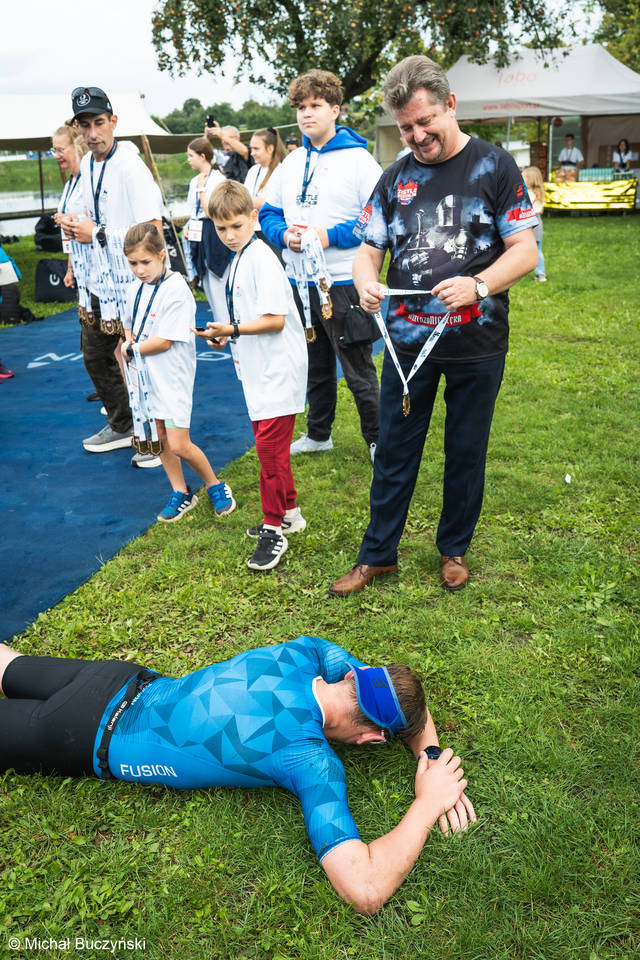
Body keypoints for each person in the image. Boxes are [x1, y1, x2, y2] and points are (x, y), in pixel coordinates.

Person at [0, 634, 475, 914]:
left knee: (10, 664)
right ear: (371, 740)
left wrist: (429, 749)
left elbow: (404, 698)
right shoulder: (308, 759)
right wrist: (427, 802)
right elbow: (364, 889)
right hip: (81, 733)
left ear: (352, 675)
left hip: (118, 678)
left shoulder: (308, 653)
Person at [329, 55, 538, 597]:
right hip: (406, 343)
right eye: (406, 128)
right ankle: (378, 555)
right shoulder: (393, 176)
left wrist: (480, 286)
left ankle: (454, 550)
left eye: (426, 123)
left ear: (450, 105)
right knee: (395, 447)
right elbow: (366, 251)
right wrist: (366, 282)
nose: (418, 136)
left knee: (466, 449)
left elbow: (524, 250)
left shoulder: (496, 166)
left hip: (478, 340)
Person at [260, 70, 383, 463]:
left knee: (358, 368)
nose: (306, 114)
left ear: (335, 109)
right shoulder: (293, 160)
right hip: (300, 282)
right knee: (313, 363)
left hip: (344, 279)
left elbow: (377, 216)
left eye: (315, 106)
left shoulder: (360, 160)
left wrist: (329, 236)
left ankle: (380, 440)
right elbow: (268, 212)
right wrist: (285, 237)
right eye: (300, 107)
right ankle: (319, 433)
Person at [195, 181, 308, 571]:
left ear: (253, 219)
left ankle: (273, 528)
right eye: (221, 228)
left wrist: (234, 331)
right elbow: (245, 316)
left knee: (269, 454)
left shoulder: (261, 257)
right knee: (271, 450)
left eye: (236, 226)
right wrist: (224, 336)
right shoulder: (239, 258)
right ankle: (290, 513)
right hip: (259, 370)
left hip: (278, 370)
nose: (228, 235)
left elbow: (275, 319)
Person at [57, 86, 164, 466]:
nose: (93, 133)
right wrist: (74, 224)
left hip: (133, 282)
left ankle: (154, 438)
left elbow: (153, 231)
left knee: (138, 360)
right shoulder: (87, 165)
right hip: (98, 282)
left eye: (99, 123)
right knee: (95, 355)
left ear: (113, 121)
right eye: (84, 125)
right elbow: (92, 216)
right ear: (77, 128)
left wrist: (97, 234)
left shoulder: (130, 166)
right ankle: (123, 424)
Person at [121, 222, 235, 522]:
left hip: (171, 378)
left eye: (145, 262)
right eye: (132, 263)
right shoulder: (133, 287)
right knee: (159, 438)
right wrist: (129, 340)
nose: (139, 269)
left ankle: (215, 484)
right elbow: (129, 324)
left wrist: (132, 349)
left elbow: (164, 341)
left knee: (179, 443)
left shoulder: (176, 290)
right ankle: (181, 491)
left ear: (162, 256)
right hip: (145, 379)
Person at [182, 136, 226, 283]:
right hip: (197, 232)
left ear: (202, 156)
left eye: (191, 156)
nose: (188, 159)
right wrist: (187, 227)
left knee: (216, 279)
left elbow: (210, 213)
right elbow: (193, 211)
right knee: (204, 278)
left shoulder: (218, 179)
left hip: (212, 232)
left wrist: (201, 189)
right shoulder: (194, 181)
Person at [522, 166, 547, 283]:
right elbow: (541, 210)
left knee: (535, 250)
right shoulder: (540, 194)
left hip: (531, 222)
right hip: (538, 221)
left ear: (530, 180)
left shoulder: (527, 194)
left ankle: (540, 273)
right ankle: (538, 273)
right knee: (537, 248)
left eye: (523, 178)